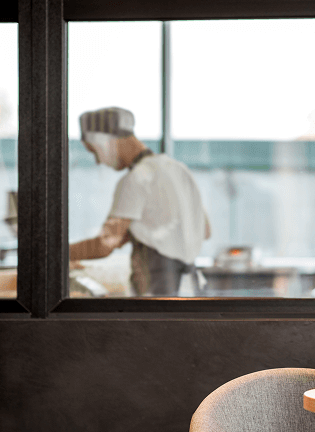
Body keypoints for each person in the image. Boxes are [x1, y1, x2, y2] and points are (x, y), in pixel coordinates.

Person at [69, 107, 211, 296]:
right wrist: (134, 233)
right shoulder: (178, 169)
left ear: (105, 141)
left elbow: (105, 244)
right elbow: (205, 230)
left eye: (94, 151)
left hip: (156, 292)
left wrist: (59, 254)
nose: (98, 161)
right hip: (190, 288)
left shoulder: (136, 179)